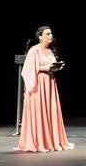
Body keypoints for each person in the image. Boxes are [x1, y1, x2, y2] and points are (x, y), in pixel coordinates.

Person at [17, 25, 72, 153]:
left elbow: (50, 65)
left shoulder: (50, 51)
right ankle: (39, 141)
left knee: (50, 110)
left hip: (50, 83)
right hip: (38, 85)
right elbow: (27, 69)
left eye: (51, 34)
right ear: (40, 37)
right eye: (48, 34)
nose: (51, 36)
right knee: (40, 111)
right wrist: (44, 68)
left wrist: (57, 67)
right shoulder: (34, 50)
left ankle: (51, 140)